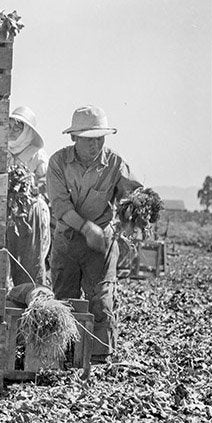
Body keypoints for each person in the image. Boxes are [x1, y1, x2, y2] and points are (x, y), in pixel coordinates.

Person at [46, 105, 142, 363]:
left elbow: (132, 198)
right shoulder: (58, 163)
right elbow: (61, 206)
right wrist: (87, 228)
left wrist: (136, 216)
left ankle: (100, 359)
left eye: (99, 138)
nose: (94, 144)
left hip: (101, 245)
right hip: (67, 241)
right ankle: (65, 355)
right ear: (74, 138)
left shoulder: (116, 164)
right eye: (88, 139)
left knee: (101, 301)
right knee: (64, 301)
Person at [7, 105, 52, 288]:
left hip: (31, 215)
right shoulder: (1, 151)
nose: (13, 130)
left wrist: (29, 186)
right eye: (10, 125)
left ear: (28, 132)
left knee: (29, 262)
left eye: (19, 127)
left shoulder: (36, 155)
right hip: (6, 212)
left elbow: (46, 186)